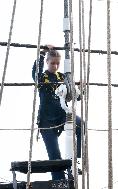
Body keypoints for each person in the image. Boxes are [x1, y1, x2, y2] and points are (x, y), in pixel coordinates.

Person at [32, 45, 82, 180]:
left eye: (57, 63)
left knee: (81, 126)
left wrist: (79, 90)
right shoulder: (42, 78)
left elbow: (76, 96)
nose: (55, 66)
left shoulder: (63, 77)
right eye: (52, 63)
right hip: (46, 121)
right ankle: (59, 182)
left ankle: (76, 161)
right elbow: (35, 74)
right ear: (47, 62)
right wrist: (42, 55)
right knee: (55, 155)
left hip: (61, 115)